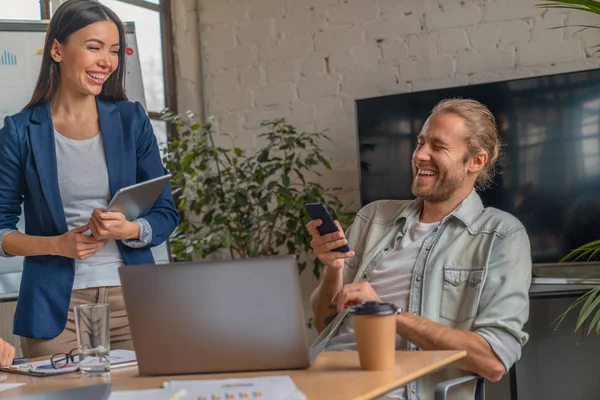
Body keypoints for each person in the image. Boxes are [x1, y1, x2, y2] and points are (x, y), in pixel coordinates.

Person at [307, 99, 532, 400]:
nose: (420, 155)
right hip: (320, 383)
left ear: (476, 161)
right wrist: (333, 271)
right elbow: (323, 323)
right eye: (420, 142)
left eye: (438, 146)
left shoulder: (501, 234)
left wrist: (386, 314)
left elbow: (493, 361)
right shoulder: (373, 217)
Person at [0, 0, 179, 358]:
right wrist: (58, 245)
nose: (107, 61)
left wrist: (128, 230)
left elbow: (166, 213)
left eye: (113, 51)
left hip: (135, 302)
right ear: (56, 49)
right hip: (55, 312)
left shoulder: (131, 121)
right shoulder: (20, 131)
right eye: (94, 47)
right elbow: (2, 231)